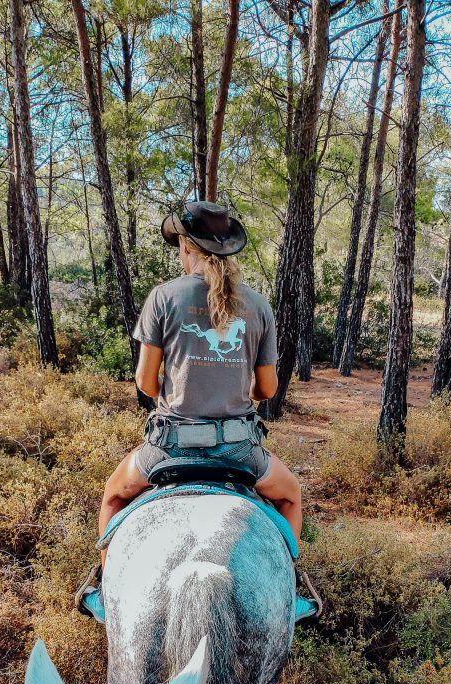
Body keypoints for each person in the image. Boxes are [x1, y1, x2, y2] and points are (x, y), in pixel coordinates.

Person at [77, 200, 319, 623]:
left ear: (187, 247)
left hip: (169, 447)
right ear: (228, 249)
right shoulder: (258, 306)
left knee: (114, 496)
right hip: (238, 450)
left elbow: (146, 383)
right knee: (291, 495)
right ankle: (292, 593)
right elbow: (267, 388)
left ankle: (102, 588)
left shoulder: (163, 298)